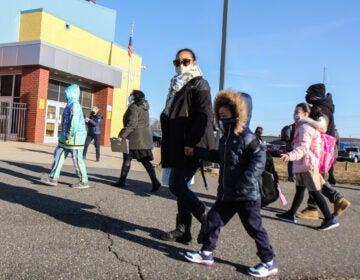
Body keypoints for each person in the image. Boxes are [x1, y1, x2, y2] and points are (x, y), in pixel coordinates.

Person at [183, 89, 278, 278]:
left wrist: (244, 183)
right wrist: (197, 152)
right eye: (219, 116)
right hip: (228, 194)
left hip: (246, 196)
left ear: (238, 115)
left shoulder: (246, 136)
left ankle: (269, 262)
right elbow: (220, 157)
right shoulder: (227, 138)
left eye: (225, 116)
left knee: (254, 228)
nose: (221, 120)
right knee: (213, 220)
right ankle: (206, 253)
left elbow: (259, 158)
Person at [159, 48, 215, 244]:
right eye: (177, 62)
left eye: (186, 61)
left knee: (176, 184)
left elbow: (205, 116)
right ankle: (183, 230)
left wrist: (193, 144)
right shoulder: (177, 86)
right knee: (180, 186)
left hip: (190, 145)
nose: (181, 65)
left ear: (194, 61)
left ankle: (206, 219)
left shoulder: (200, 83)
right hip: (177, 143)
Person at [276, 103, 339, 231]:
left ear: (306, 114)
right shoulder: (302, 126)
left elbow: (303, 147)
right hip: (303, 164)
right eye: (294, 111)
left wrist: (291, 155)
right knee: (300, 189)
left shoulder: (305, 126)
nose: (295, 114)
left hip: (308, 164)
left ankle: (329, 218)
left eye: (297, 112)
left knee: (315, 192)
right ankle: (291, 213)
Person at [298, 83, 350, 219]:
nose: (307, 96)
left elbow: (322, 125)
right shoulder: (325, 105)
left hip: (321, 148)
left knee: (314, 176)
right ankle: (326, 203)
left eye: (308, 93)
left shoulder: (322, 108)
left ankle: (319, 206)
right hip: (323, 147)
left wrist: (306, 120)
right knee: (315, 176)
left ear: (314, 95)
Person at [40, 84, 89, 189]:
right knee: (58, 156)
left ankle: (84, 181)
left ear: (72, 93)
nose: (65, 94)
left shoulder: (75, 105)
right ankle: (53, 178)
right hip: (66, 139)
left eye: (67, 93)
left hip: (75, 140)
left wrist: (69, 135)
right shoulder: (69, 104)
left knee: (77, 160)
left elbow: (74, 123)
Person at [111, 90, 161, 193]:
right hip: (143, 139)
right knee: (143, 161)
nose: (130, 96)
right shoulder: (145, 106)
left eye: (131, 95)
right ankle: (154, 182)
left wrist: (122, 135)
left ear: (134, 97)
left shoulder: (134, 107)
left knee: (129, 160)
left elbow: (132, 124)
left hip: (134, 138)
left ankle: (123, 181)